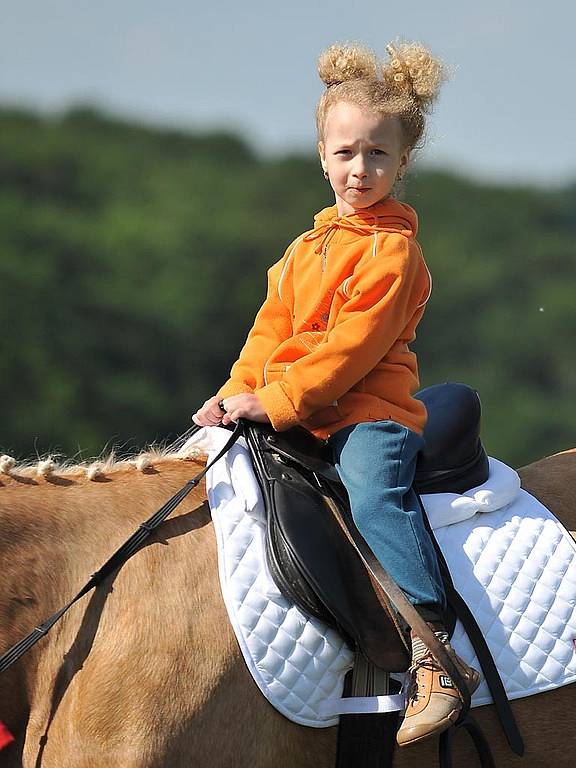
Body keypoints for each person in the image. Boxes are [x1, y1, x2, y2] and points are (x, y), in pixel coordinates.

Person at [192, 40, 479, 746]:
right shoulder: (299, 251)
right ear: (322, 155)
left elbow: (353, 350)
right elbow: (267, 336)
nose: (360, 169)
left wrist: (280, 401)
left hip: (367, 415)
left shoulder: (394, 252)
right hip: (299, 408)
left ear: (403, 161)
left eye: (377, 155)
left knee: (373, 491)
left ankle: (435, 648)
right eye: (346, 153)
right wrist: (233, 396)